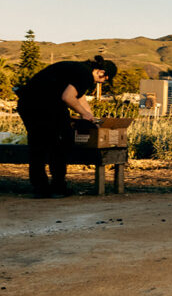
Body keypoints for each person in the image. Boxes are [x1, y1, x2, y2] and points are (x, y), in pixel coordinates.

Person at [15, 55, 118, 198]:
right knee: (62, 143)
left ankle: (41, 188)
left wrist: (90, 115)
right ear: (101, 72)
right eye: (105, 79)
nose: (102, 82)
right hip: (45, 105)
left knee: (37, 145)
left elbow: (79, 96)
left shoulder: (80, 68)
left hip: (28, 103)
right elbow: (68, 97)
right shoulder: (85, 75)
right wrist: (84, 114)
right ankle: (58, 187)